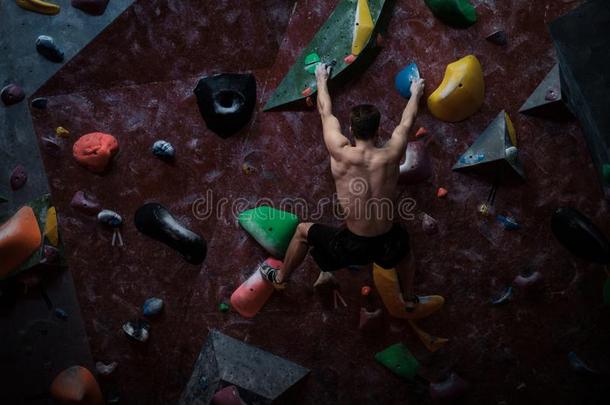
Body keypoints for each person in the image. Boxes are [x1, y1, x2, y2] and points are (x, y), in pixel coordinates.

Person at [261, 62, 426, 312]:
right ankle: (410, 296)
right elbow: (407, 120)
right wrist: (415, 92)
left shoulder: (339, 151)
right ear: (378, 131)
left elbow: (325, 112)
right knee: (405, 251)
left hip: (352, 246)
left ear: (350, 129)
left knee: (303, 231)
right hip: (387, 242)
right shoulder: (392, 152)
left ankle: (280, 279)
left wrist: (321, 78)